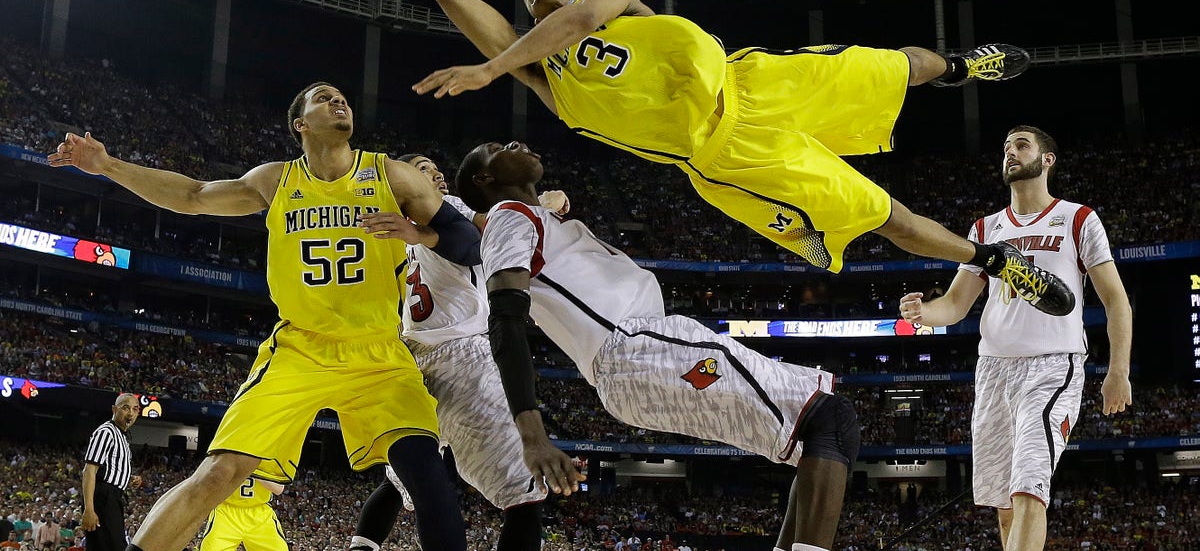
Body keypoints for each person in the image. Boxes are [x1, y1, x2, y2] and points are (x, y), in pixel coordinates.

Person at [414, 0, 1073, 318]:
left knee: (893, 67)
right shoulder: (546, 77)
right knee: (883, 214)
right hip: (723, 151)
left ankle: (961, 66)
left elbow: (581, 22)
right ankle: (999, 263)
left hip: (749, 81)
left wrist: (491, 68)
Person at [47, 82, 475, 551]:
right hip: (301, 348)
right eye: (323, 97)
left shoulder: (392, 177)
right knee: (219, 474)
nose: (339, 101)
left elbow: (468, 245)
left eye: (342, 98)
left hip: (378, 351)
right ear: (301, 124)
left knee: (428, 477)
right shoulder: (276, 180)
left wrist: (419, 234)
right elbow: (193, 195)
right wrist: (107, 165)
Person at [454, 140, 862, 551]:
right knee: (828, 417)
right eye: (497, 147)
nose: (517, 142)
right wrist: (532, 436)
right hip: (637, 349)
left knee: (816, 437)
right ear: (485, 178)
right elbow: (505, 320)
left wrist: (547, 203)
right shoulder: (509, 219)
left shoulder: (531, 215)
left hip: (638, 366)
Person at [897, 125, 1134, 551]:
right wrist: (923, 314)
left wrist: (1119, 371)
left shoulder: (1078, 218)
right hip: (992, 371)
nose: (1010, 152)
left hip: (1052, 365)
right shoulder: (985, 228)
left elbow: (1116, 300)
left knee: (1029, 488)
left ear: (1047, 159)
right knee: (1005, 509)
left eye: (1021, 145)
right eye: (1006, 146)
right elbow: (954, 305)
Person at [350, 153, 575, 551]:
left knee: (398, 482)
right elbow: (484, 240)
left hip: (409, 364)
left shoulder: (380, 226)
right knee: (525, 499)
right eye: (421, 168)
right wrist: (545, 204)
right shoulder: (443, 209)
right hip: (463, 359)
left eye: (437, 168)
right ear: (403, 181)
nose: (435, 172)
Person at [80, 393, 143, 551]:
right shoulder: (106, 432)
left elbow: (110, 470)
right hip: (103, 498)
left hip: (113, 496)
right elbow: (89, 470)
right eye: (126, 408)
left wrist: (128, 478)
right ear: (114, 409)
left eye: (135, 409)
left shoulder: (122, 436)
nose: (131, 413)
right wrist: (89, 509)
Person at [198, 477, 287, 551]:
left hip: (260, 513)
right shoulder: (227, 456)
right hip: (226, 511)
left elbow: (279, 489)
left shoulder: (271, 459)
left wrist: (255, 470)